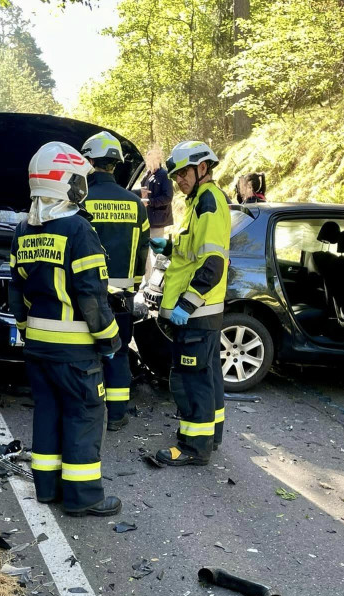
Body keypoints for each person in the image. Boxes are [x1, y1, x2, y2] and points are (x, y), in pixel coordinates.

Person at [8, 141, 123, 517]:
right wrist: (110, 340)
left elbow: (16, 289)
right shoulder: (78, 230)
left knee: (47, 413)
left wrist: (26, 329)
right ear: (64, 183)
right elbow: (91, 294)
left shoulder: (23, 230)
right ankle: (84, 497)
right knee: (84, 415)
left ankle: (47, 489)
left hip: (38, 349)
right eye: (78, 179)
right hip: (76, 352)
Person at [151, 140, 229, 467]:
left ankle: (194, 447)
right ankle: (212, 435)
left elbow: (212, 263)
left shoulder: (209, 202)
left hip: (196, 313)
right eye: (175, 176)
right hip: (203, 313)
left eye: (183, 173)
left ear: (202, 168)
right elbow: (191, 251)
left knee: (191, 379)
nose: (178, 180)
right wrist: (168, 248)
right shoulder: (200, 201)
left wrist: (186, 304)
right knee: (208, 375)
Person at [80, 131, 150, 431]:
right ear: (116, 164)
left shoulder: (81, 200)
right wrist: (132, 288)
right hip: (122, 296)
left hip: (88, 295)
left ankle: (88, 412)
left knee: (86, 353)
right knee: (118, 353)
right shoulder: (136, 204)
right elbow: (142, 250)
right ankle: (118, 414)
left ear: (89, 161)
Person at [140, 147, 173, 239]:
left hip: (158, 220)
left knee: (155, 249)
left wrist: (149, 201)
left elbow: (168, 197)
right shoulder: (147, 175)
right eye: (148, 159)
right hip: (146, 219)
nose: (149, 161)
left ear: (158, 159)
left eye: (152, 159)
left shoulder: (164, 175)